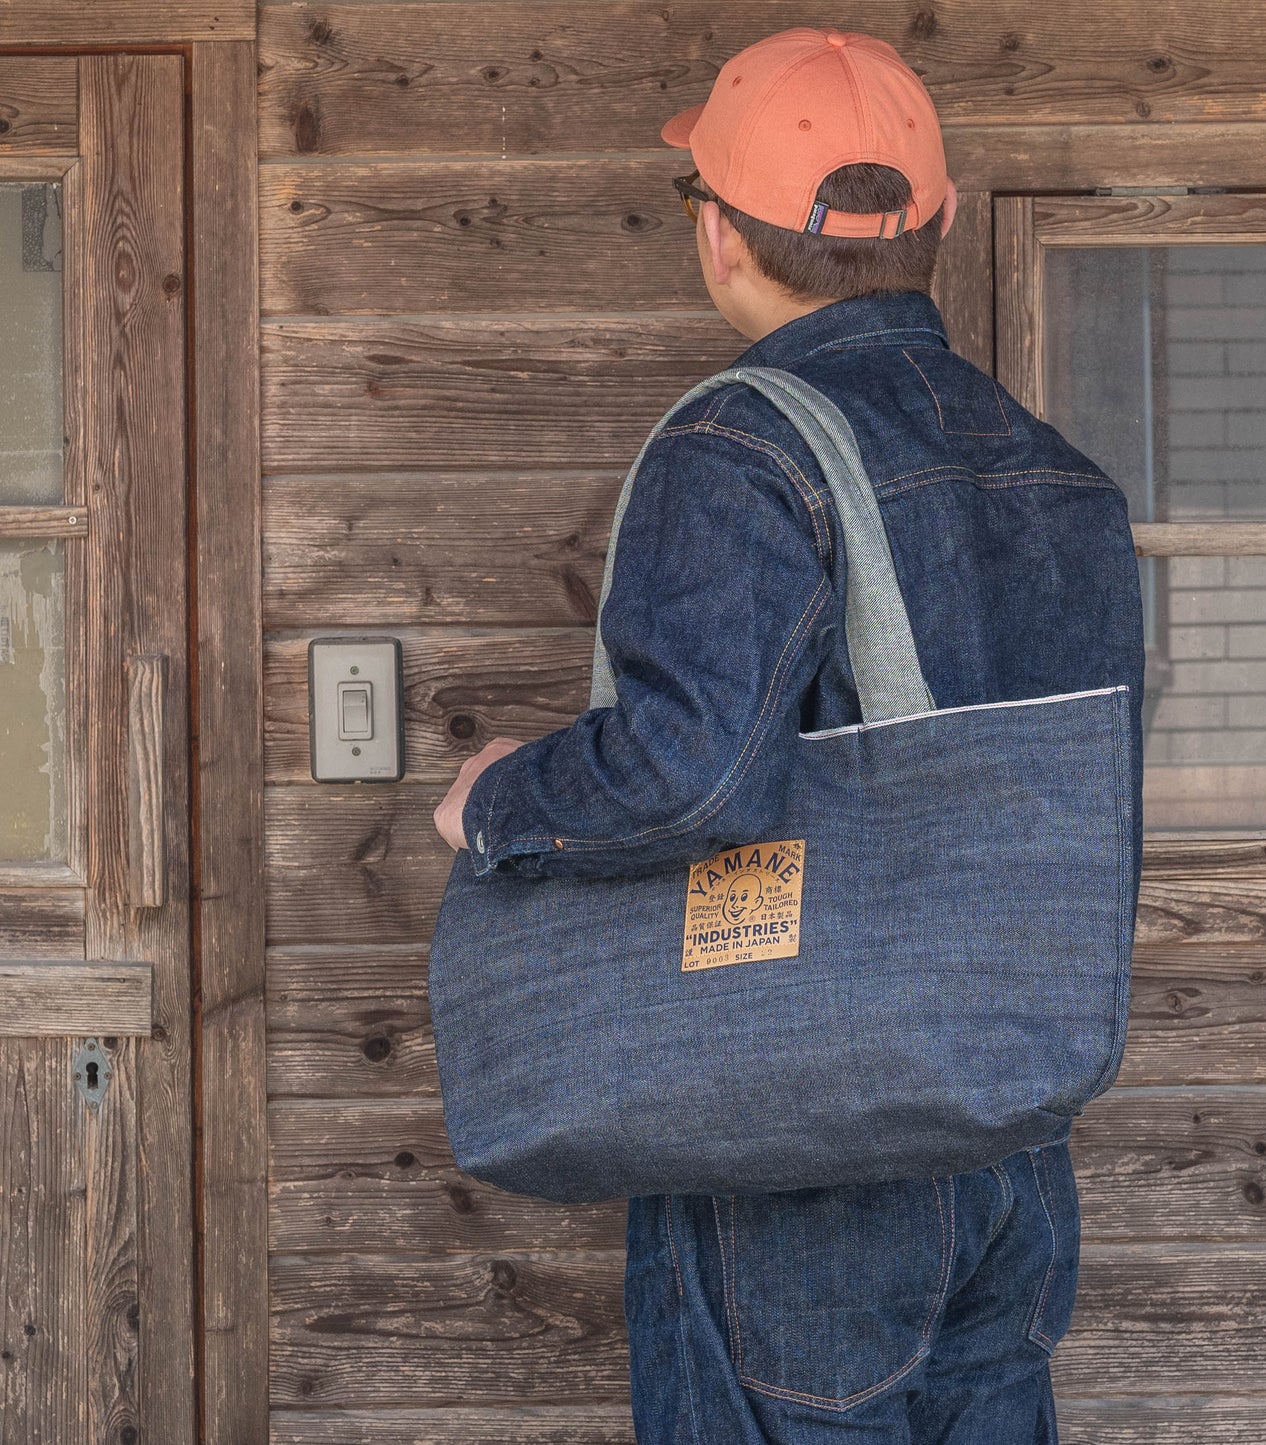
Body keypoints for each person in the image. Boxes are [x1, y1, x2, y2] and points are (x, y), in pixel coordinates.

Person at [433, 25, 1144, 1444]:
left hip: (802, 1156)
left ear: (716, 237)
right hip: (1007, 1141)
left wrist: (500, 800)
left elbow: (693, 777)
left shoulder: (741, 445)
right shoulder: (1060, 478)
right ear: (936, 223)